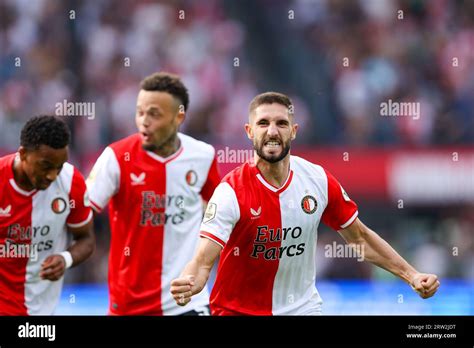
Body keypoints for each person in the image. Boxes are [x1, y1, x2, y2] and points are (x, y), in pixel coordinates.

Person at [170, 92, 440, 315]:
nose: (272, 131)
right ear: (249, 131)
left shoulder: (317, 180)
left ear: (294, 131)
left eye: (281, 123)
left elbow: (361, 238)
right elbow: (203, 259)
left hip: (302, 309)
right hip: (238, 311)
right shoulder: (230, 191)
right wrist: (190, 281)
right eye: (263, 123)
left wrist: (412, 275)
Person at [86, 72, 220, 315]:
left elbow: (219, 214)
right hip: (130, 304)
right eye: (140, 112)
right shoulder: (116, 157)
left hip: (188, 303)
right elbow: (82, 212)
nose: (144, 121)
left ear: (179, 116)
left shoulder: (203, 155)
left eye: (154, 114)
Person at [0, 115, 95, 315]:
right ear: (23, 154)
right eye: (45, 166)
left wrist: (65, 258)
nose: (52, 175)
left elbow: (86, 239)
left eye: (59, 167)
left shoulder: (71, 183)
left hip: (42, 310)